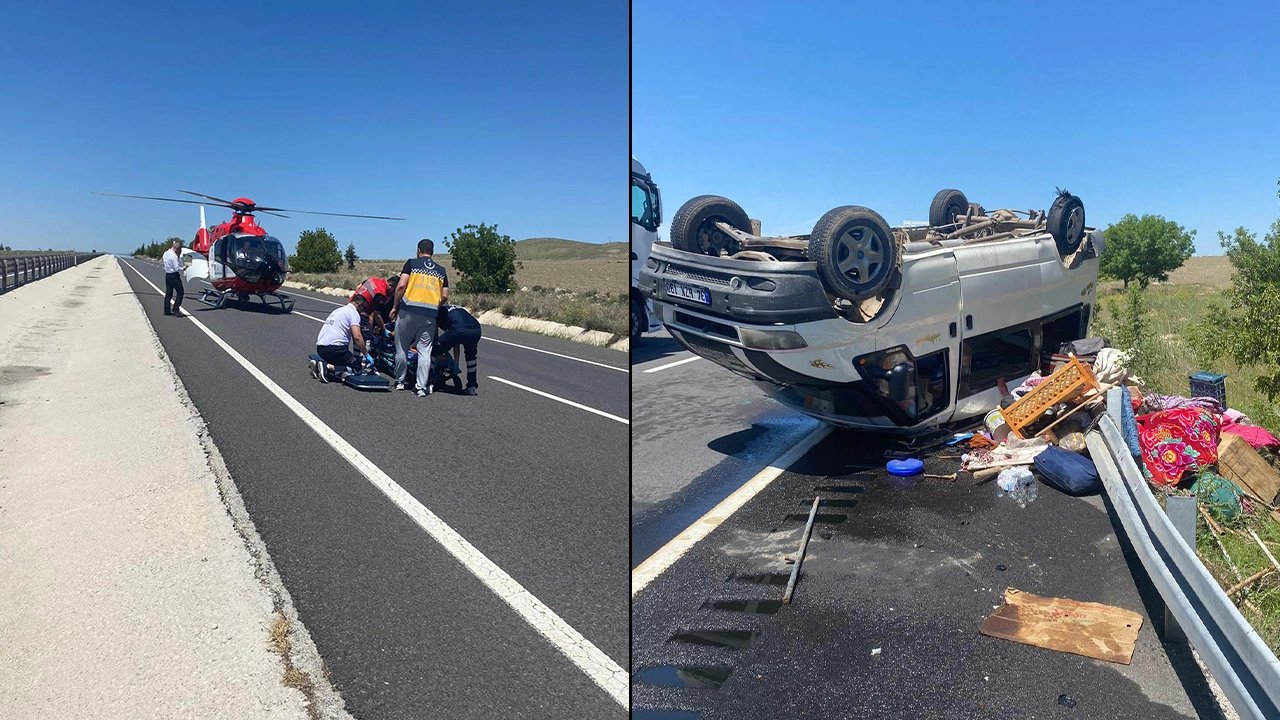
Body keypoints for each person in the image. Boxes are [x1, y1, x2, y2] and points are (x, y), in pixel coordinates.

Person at [389, 239, 448, 396]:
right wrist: (435, 305)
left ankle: (400, 381)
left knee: (401, 347)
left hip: (408, 310)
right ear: (432, 252)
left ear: (418, 250)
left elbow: (401, 286)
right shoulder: (441, 271)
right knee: (424, 351)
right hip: (429, 314)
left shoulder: (411, 264)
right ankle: (421, 387)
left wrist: (395, 306)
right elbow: (445, 296)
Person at [311, 294, 373, 383]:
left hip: (321, 348)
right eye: (364, 308)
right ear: (359, 305)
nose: (363, 311)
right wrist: (366, 354)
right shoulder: (353, 313)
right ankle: (328, 367)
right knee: (357, 368)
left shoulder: (338, 310)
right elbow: (357, 337)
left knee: (342, 363)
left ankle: (319, 365)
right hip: (336, 349)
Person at [436, 302, 481, 395]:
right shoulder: (460, 308)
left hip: (458, 330)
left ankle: (428, 381)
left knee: (434, 350)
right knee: (471, 357)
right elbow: (456, 343)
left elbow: (452, 338)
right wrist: (456, 363)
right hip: (476, 329)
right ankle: (472, 387)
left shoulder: (441, 311)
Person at [161, 239, 184, 316]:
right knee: (180, 292)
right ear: (177, 249)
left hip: (167, 275)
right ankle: (176, 308)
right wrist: (183, 268)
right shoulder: (174, 256)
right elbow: (176, 268)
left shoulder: (165, 253)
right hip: (174, 275)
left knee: (168, 293)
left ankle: (166, 310)